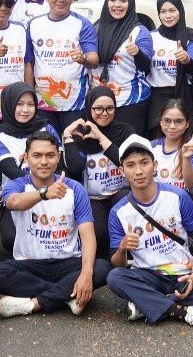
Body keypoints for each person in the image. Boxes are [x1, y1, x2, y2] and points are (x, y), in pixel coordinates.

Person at [106, 136, 193, 331]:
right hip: (148, 276)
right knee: (115, 277)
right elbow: (118, 264)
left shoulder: (177, 196)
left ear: (155, 165)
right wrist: (122, 248)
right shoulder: (118, 212)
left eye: (144, 163)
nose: (139, 171)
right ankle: (184, 311)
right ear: (122, 171)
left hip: (183, 273)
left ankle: (147, 303)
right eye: (130, 165)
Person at [0, 131, 111, 317]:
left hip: (68, 263)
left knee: (102, 268)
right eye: (37, 156)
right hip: (30, 264)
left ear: (58, 157)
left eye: (50, 155)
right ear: (26, 158)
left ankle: (34, 304)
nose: (44, 161)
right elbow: (13, 202)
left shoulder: (75, 189)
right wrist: (43, 194)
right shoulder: (17, 185)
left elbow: (87, 235)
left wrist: (86, 273)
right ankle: (67, 295)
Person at [62, 86, 136, 259]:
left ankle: (126, 258)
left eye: (110, 108)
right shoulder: (79, 133)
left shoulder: (125, 131)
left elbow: (128, 162)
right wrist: (67, 135)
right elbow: (75, 167)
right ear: (89, 108)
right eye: (98, 109)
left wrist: (101, 137)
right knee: (99, 232)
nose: (104, 113)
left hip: (121, 191)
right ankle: (104, 261)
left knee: (125, 218)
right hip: (93, 197)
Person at [0, 82, 60, 252]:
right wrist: (41, 191)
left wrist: (48, 192)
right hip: (17, 194)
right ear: (9, 105)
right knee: (10, 239)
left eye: (30, 104)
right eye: (19, 104)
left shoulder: (46, 128)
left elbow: (59, 163)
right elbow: (13, 172)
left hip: (52, 193)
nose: (25, 110)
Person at [26, 0, 100, 132]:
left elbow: (94, 60)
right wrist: (29, 98)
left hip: (75, 104)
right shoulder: (34, 24)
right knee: (46, 145)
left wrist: (83, 58)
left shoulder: (83, 24)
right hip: (43, 104)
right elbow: (29, 63)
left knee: (74, 145)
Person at [92, 0, 154, 130]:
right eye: (113, 0)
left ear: (130, 3)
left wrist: (137, 53)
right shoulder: (95, 28)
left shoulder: (139, 31)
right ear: (107, 2)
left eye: (123, 1)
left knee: (129, 144)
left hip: (130, 101)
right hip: (99, 103)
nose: (117, 5)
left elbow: (146, 66)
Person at [146, 0, 193, 135]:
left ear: (180, 11)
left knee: (180, 139)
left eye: (172, 10)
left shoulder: (190, 35)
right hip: (156, 97)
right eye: (163, 11)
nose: (168, 16)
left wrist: (186, 59)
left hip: (183, 95)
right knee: (157, 139)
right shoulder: (151, 36)